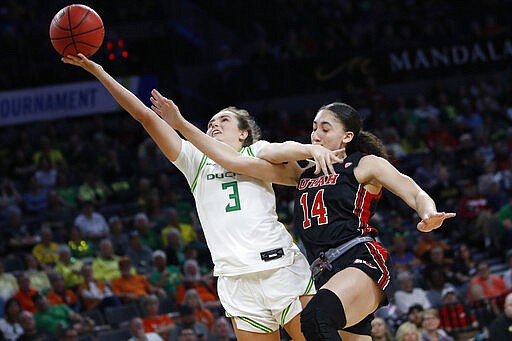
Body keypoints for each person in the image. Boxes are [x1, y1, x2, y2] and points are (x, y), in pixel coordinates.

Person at [150, 98, 456, 340]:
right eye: (313, 128)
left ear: (347, 136)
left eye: (325, 128)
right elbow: (234, 161)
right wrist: (181, 126)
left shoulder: (364, 164)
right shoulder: (301, 172)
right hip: (321, 270)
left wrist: (428, 213)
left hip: (357, 258)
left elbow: (412, 190)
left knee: (316, 320)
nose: (316, 134)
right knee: (326, 328)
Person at [62, 53, 319, 341]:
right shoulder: (194, 161)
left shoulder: (255, 151)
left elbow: (287, 155)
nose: (214, 125)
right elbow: (145, 117)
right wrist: (98, 71)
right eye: (210, 123)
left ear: (244, 134)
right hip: (234, 278)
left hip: (277, 267)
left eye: (223, 120)